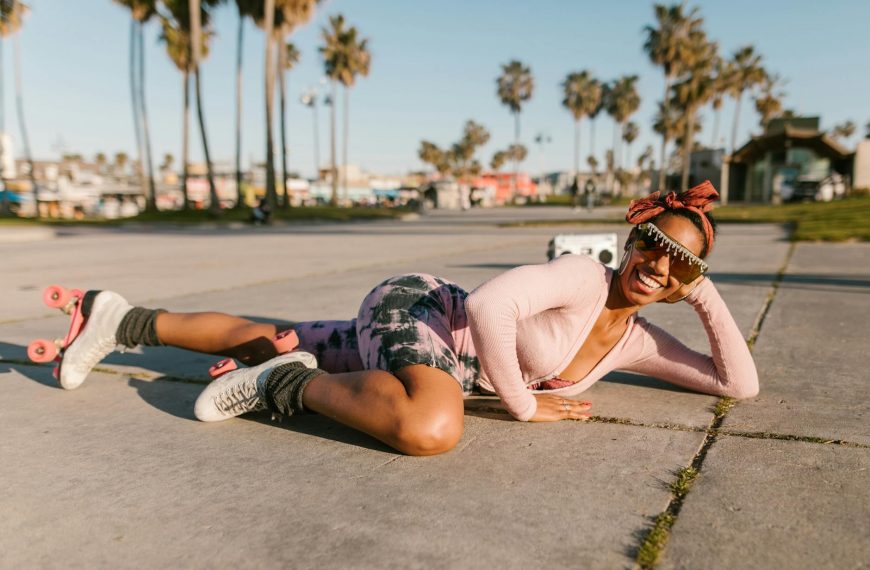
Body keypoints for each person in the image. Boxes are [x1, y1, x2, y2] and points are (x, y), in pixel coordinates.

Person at [48, 180, 757, 456]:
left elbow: (738, 386)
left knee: (276, 334)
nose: (659, 264)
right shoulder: (583, 276)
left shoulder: (637, 340)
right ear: (631, 239)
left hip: (422, 355)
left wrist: (704, 294)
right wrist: (522, 406)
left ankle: (120, 320)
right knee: (432, 427)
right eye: (654, 245)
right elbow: (488, 306)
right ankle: (280, 387)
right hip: (416, 309)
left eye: (680, 264)